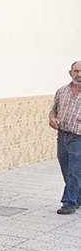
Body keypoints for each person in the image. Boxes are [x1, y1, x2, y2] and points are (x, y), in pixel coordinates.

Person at [49, 60, 81, 214]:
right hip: (62, 136)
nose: (79, 75)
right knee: (66, 167)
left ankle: (69, 202)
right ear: (70, 73)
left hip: (78, 137)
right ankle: (78, 196)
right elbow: (53, 110)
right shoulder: (61, 91)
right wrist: (52, 119)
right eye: (76, 71)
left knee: (74, 170)